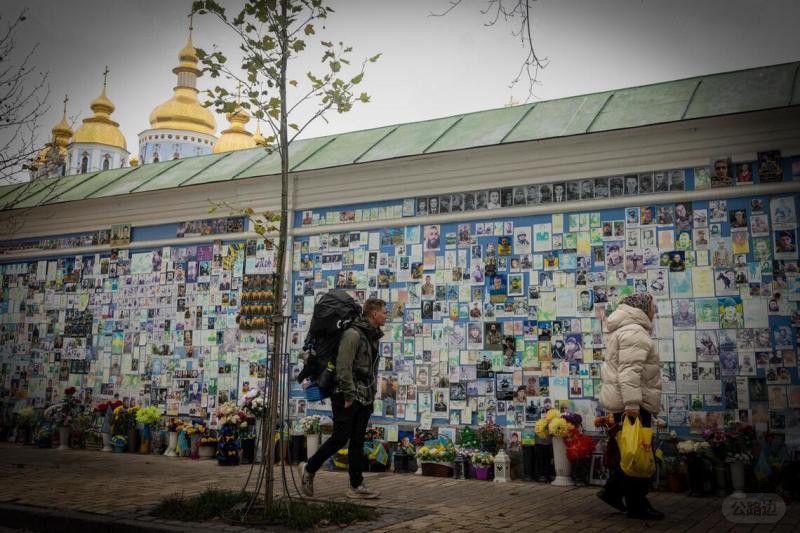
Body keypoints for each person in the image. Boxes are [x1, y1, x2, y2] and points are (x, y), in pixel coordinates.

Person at [300, 298, 387, 500]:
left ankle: (356, 485)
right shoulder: (353, 335)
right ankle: (309, 468)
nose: (386, 315)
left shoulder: (370, 336)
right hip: (346, 394)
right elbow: (343, 367)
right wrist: (349, 395)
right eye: (384, 312)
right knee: (340, 438)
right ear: (374, 314)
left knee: (357, 440)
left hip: (364, 396)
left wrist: (369, 394)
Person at [598, 293, 663, 520]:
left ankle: (614, 492)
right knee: (638, 452)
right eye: (653, 307)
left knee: (631, 451)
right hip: (634, 404)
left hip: (630, 402)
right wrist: (633, 405)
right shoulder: (634, 333)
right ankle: (636, 504)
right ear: (643, 308)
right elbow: (629, 374)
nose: (655, 311)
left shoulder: (627, 330)